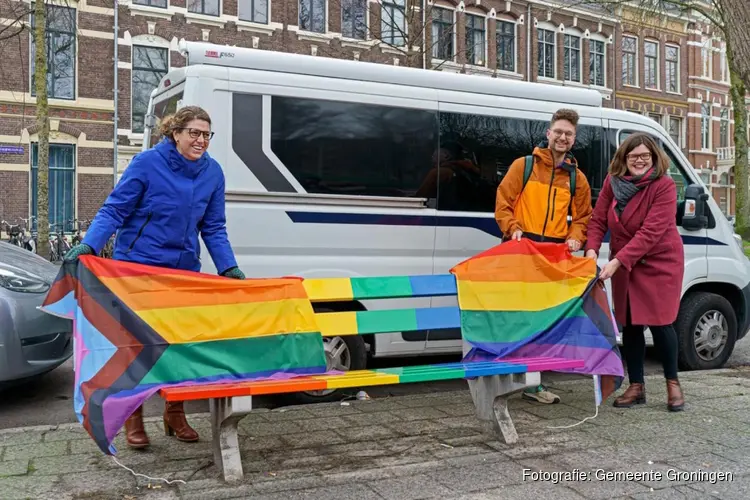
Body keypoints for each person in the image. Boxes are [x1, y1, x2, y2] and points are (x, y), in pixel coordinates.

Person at [64, 105, 246, 447]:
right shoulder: (147, 163)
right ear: (174, 133)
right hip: (138, 268)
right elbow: (115, 208)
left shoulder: (213, 173)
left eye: (207, 134)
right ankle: (133, 418)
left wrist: (227, 267)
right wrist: (90, 245)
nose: (201, 140)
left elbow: (213, 226)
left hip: (182, 273)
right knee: (137, 346)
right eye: (194, 132)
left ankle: (174, 413)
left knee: (176, 345)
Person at [494, 108, 593, 404]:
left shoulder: (578, 179)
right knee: (514, 316)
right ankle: (503, 376)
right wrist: (512, 229)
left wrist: (575, 238)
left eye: (569, 133)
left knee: (542, 321)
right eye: (558, 131)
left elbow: (583, 217)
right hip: (521, 253)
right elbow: (503, 202)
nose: (563, 137)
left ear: (574, 139)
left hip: (552, 258)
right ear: (548, 133)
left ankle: (533, 383)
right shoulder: (523, 166)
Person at [584, 132, 685, 412]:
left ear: (653, 158)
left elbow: (651, 232)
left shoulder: (664, 185)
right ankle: (636, 386)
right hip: (625, 262)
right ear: (624, 159)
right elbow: (597, 220)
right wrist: (591, 250)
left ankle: (673, 384)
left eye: (644, 156)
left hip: (658, 261)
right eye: (633, 156)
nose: (639, 161)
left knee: (662, 323)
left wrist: (616, 262)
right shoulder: (612, 182)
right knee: (630, 323)